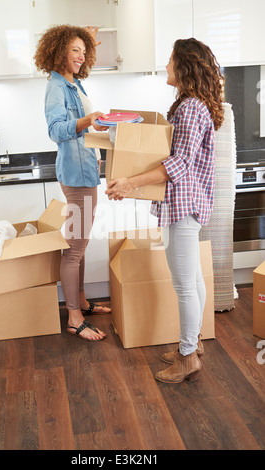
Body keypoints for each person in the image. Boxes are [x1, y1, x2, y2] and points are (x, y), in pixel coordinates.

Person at [106, 38, 224, 382]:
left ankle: (188, 357)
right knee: (192, 280)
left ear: (184, 66)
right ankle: (194, 343)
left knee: (184, 284)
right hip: (186, 203)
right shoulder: (192, 105)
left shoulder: (190, 108)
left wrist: (130, 182)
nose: (166, 66)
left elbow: (178, 163)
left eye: (171, 60)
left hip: (184, 205)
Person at [34, 25, 111, 341]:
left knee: (80, 244)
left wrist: (98, 130)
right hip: (76, 176)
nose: (80, 56)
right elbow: (56, 131)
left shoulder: (73, 83)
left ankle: (80, 300)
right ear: (58, 52)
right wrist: (86, 121)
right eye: (74, 50)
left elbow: (81, 130)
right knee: (74, 248)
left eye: (84, 50)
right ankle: (74, 317)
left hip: (85, 172)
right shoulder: (56, 87)